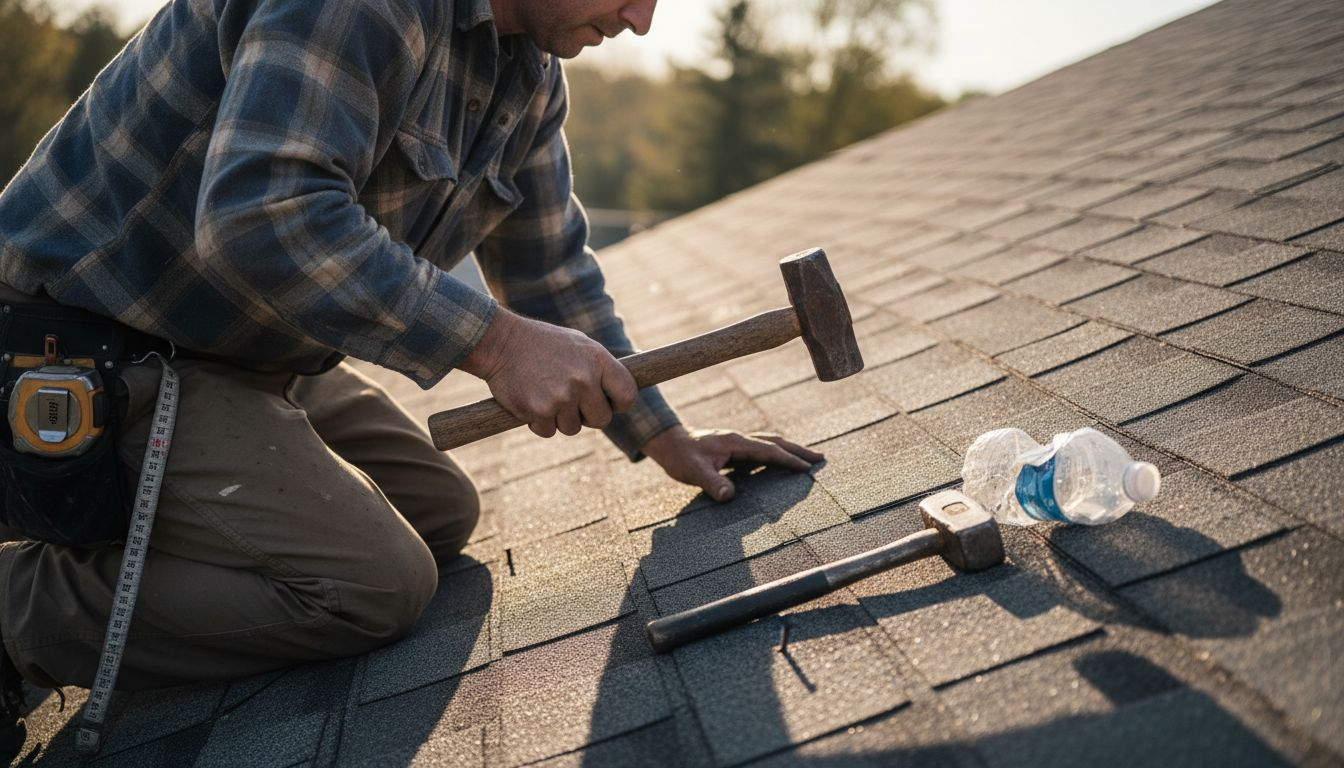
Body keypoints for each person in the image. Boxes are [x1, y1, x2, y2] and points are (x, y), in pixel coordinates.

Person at [0, 0, 822, 757]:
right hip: (91, 344)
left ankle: (167, 532)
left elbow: (552, 275)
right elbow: (261, 214)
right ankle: (16, 606)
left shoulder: (527, 77)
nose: (641, 20)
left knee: (441, 510)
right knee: (373, 585)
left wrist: (665, 437)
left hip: (244, 352)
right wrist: (495, 346)